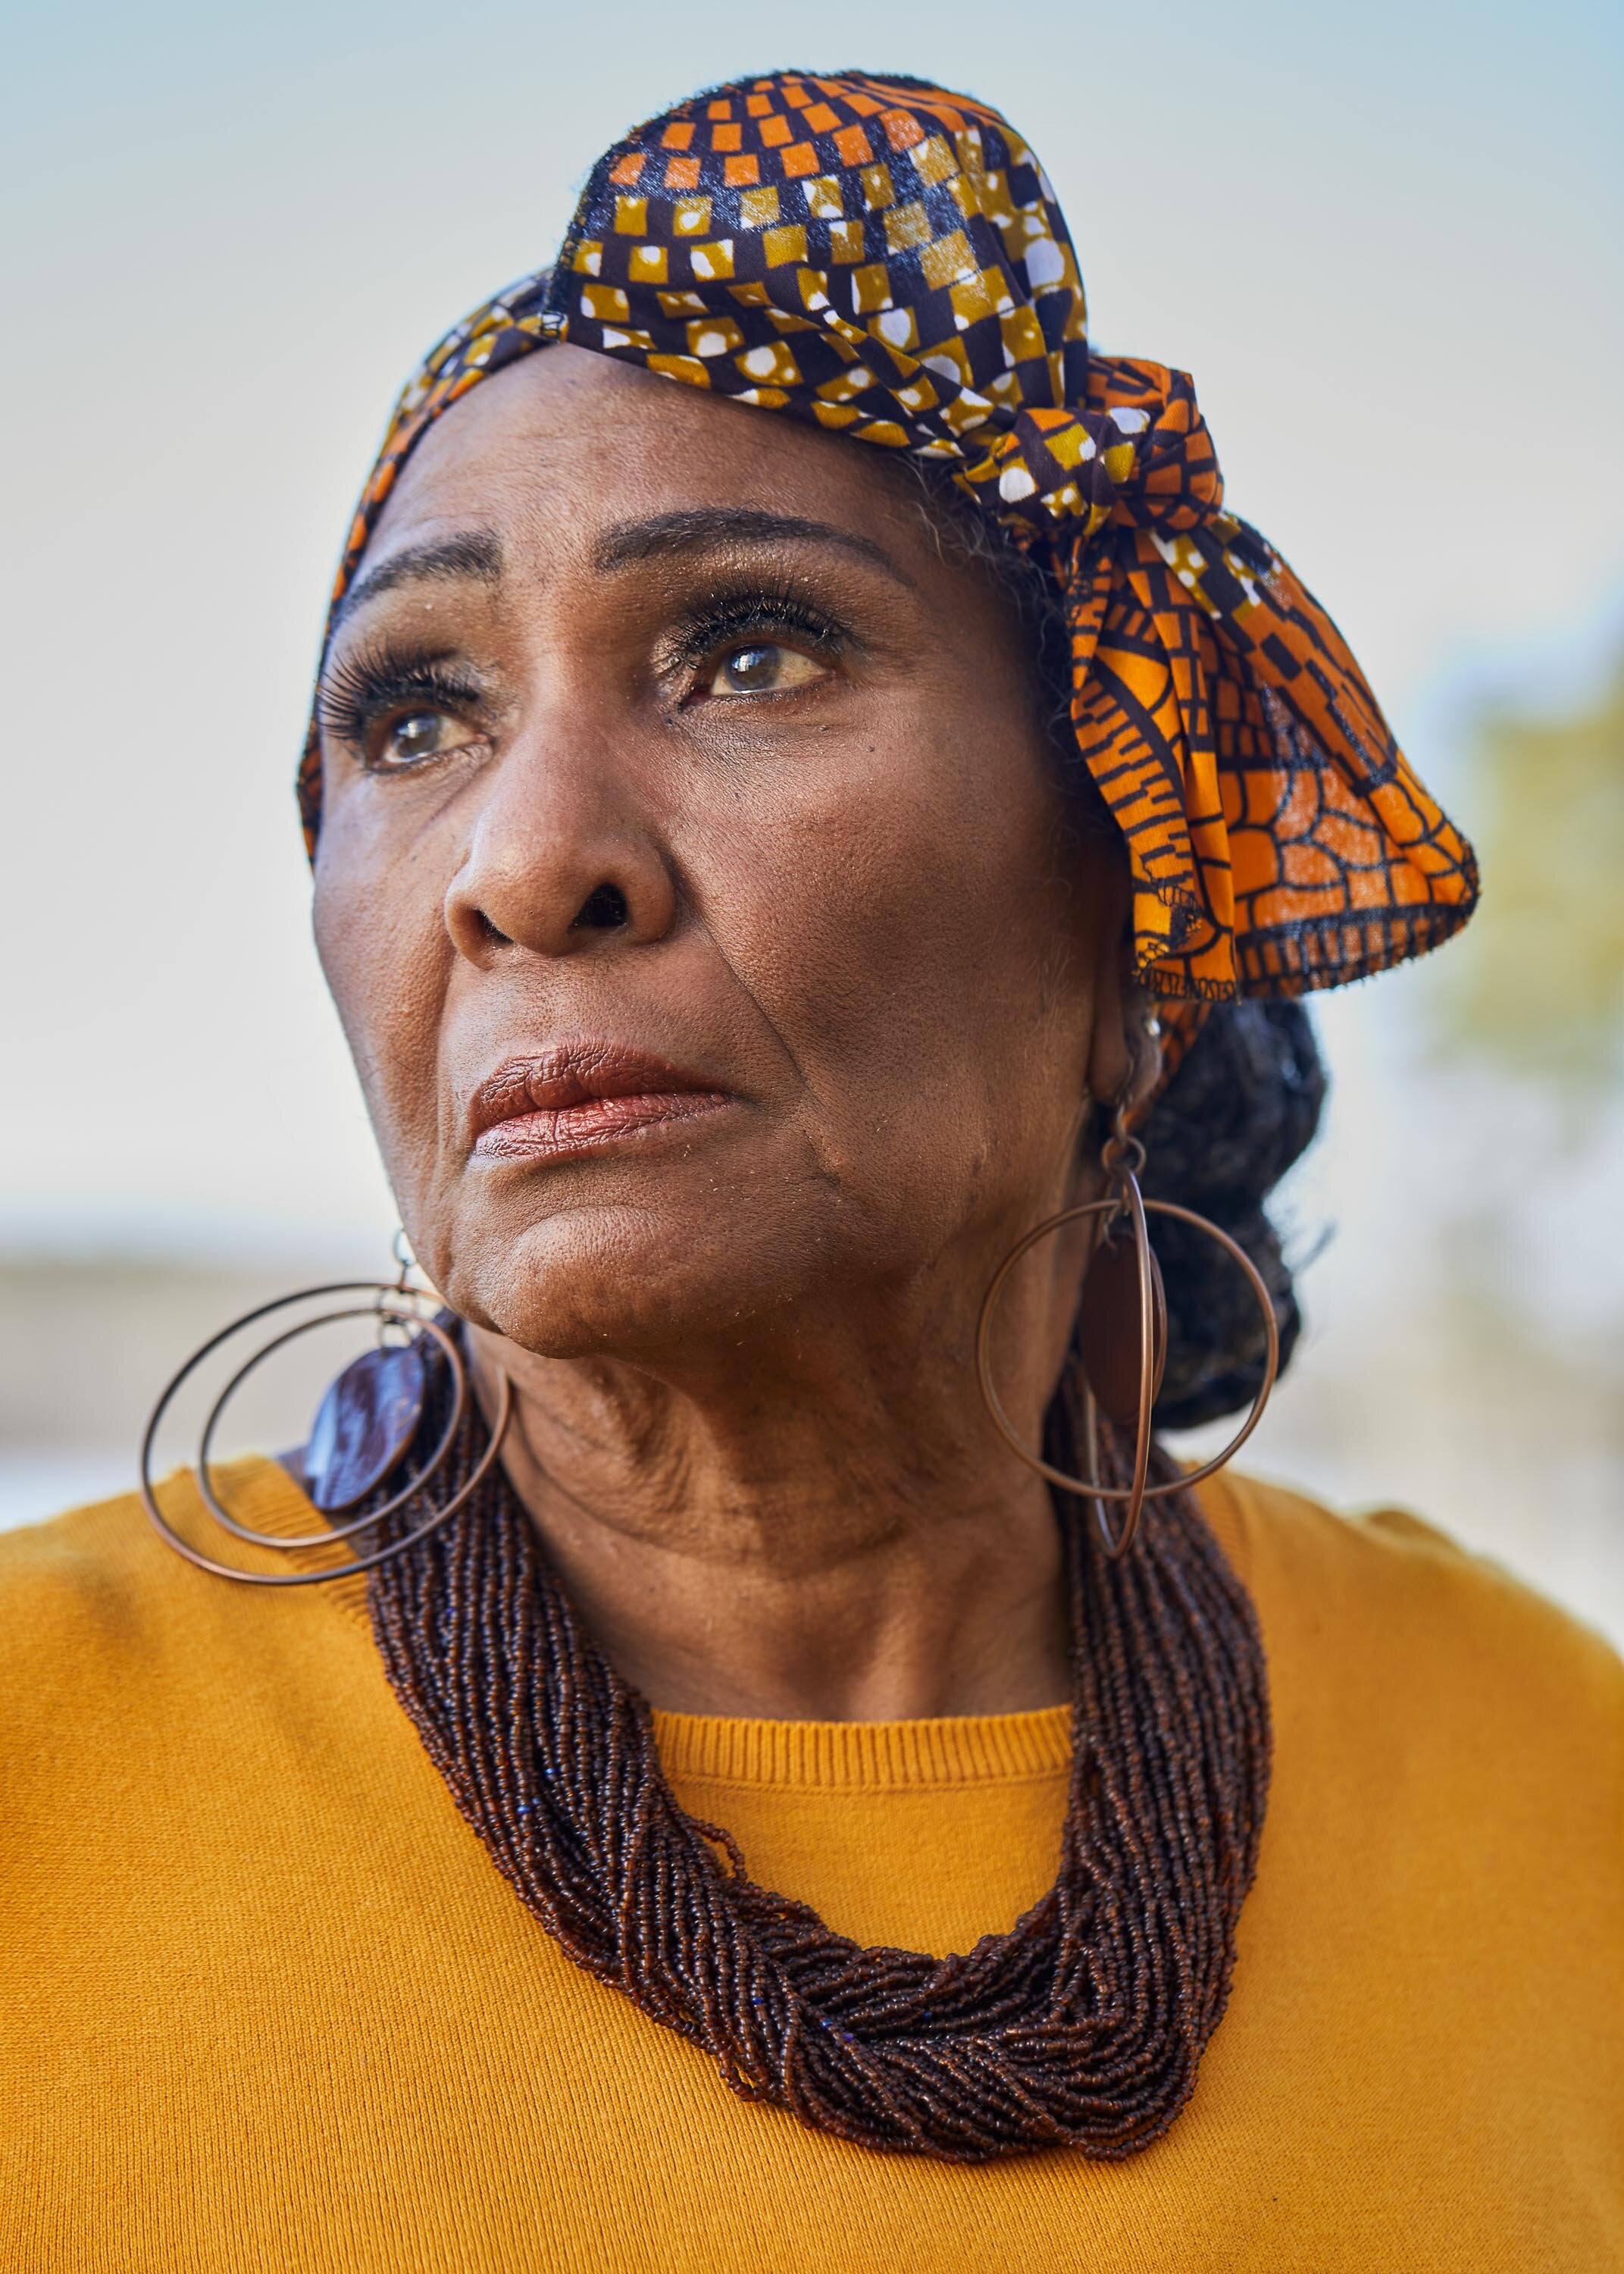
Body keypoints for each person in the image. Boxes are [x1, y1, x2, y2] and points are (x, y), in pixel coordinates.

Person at [2, 68, 1618, 2273]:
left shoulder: (1551, 1777)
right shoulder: (37, 1761)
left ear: (1128, 914)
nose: (526, 858)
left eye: (750, 650)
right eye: (411, 715)